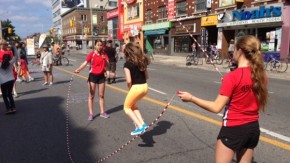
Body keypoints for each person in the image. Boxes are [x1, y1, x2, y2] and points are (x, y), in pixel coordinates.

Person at [177, 35, 268, 163]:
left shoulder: (232, 77)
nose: (233, 53)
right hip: (252, 129)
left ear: (240, 51)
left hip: (233, 129)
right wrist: (229, 86)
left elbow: (216, 107)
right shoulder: (261, 76)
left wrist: (191, 98)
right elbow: (245, 94)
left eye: (234, 49)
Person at [74, 40, 110, 121]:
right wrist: (79, 69)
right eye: (98, 45)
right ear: (95, 46)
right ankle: (91, 114)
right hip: (93, 76)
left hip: (101, 76)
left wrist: (105, 60)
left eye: (101, 45)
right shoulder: (91, 54)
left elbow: (108, 65)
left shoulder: (104, 54)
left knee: (101, 95)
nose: (100, 47)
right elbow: (85, 63)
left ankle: (102, 112)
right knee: (91, 96)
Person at [123, 43, 150, 135]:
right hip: (145, 87)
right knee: (132, 105)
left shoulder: (127, 64)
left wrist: (130, 88)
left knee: (126, 107)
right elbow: (147, 76)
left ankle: (139, 126)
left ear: (127, 53)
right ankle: (142, 123)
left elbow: (129, 81)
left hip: (136, 87)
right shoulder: (142, 62)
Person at [0, 40, 18, 114]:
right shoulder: (11, 62)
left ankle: (9, 109)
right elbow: (16, 56)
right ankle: (13, 107)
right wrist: (14, 46)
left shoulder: (0, 64)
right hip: (11, 80)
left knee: (5, 95)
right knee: (10, 94)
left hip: (3, 81)